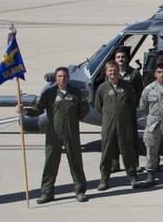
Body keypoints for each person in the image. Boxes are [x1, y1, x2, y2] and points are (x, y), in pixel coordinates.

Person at [17, 66, 90, 203]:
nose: (62, 78)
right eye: (60, 76)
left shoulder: (76, 93)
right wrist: (25, 111)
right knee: (50, 162)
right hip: (53, 133)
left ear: (68, 77)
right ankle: (47, 192)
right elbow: (38, 109)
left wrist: (72, 121)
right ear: (56, 78)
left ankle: (80, 191)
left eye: (64, 76)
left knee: (75, 162)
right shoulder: (49, 93)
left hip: (71, 132)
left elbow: (84, 110)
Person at [95, 60, 140, 190]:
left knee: (128, 151)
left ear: (118, 71)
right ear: (106, 72)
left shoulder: (126, 87)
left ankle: (133, 177)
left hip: (124, 123)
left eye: (115, 70)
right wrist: (109, 114)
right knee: (107, 152)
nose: (113, 72)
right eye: (110, 70)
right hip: (108, 124)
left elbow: (132, 103)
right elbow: (99, 106)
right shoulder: (102, 88)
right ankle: (104, 179)